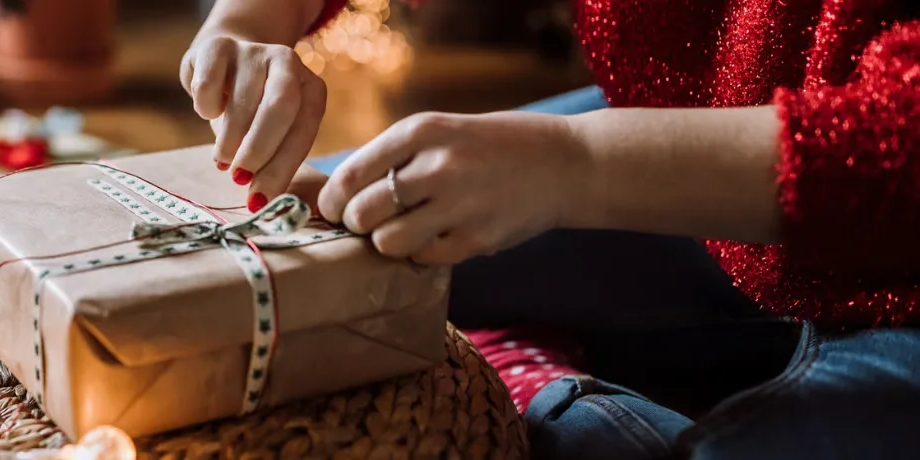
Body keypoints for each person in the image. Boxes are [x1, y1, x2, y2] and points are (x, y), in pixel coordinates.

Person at [182, 0, 920, 458]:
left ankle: (532, 384)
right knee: (327, 215)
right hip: (705, 152)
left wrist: (571, 164)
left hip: (900, 273)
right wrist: (246, 24)